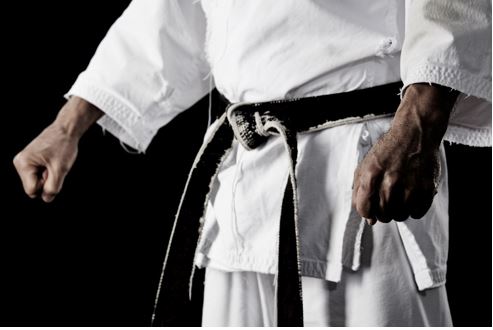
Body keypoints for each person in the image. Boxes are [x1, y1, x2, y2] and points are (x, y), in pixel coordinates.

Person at [12, 0, 491, 326]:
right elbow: (172, 11)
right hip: (248, 174)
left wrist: (421, 120)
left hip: (364, 162)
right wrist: (68, 124)